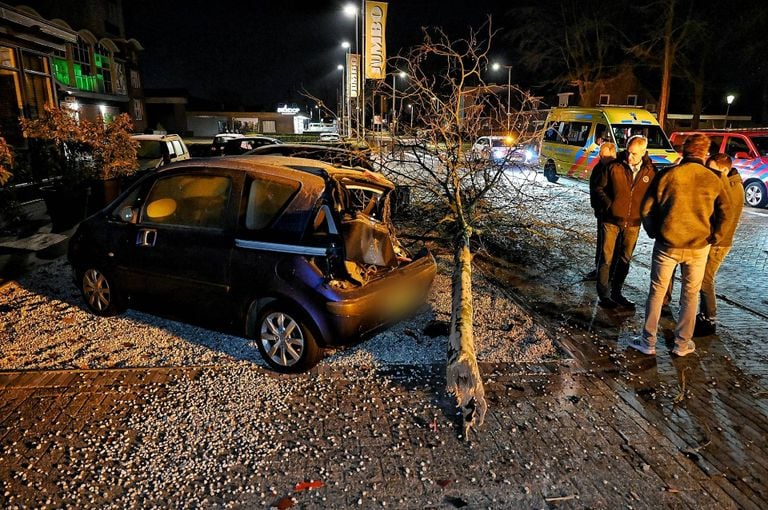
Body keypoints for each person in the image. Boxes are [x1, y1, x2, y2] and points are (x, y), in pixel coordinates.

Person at [630, 134, 731, 357]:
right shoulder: (714, 179)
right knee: (690, 294)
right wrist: (715, 236)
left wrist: (654, 231)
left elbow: (646, 208)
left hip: (668, 244)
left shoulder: (668, 175)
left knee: (657, 292)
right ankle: (682, 344)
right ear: (705, 153)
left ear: (684, 151)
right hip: (699, 246)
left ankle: (648, 342)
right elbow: (726, 211)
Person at [593, 135, 656, 308]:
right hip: (611, 221)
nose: (630, 157)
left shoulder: (650, 171)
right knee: (606, 258)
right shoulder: (614, 167)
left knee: (624, 259)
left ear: (643, 152)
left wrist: (645, 215)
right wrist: (609, 205)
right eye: (628, 152)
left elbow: (652, 196)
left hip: (633, 223)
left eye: (634, 154)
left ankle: (617, 292)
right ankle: (604, 295)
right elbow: (599, 188)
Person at [694, 153, 744, 336]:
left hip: (719, 243)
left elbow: (724, 216)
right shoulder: (729, 183)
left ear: (724, 169)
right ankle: (704, 315)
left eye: (711, 169)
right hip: (718, 240)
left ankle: (709, 318)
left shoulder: (730, 187)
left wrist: (715, 237)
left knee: (705, 280)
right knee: (703, 279)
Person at [585, 142, 617, 280]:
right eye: (602, 155)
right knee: (602, 243)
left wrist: (608, 205)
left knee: (607, 246)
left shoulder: (614, 168)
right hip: (602, 211)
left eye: (604, 156)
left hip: (610, 213)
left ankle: (606, 273)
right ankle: (600, 270)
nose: (602, 158)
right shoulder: (601, 167)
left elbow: (600, 190)